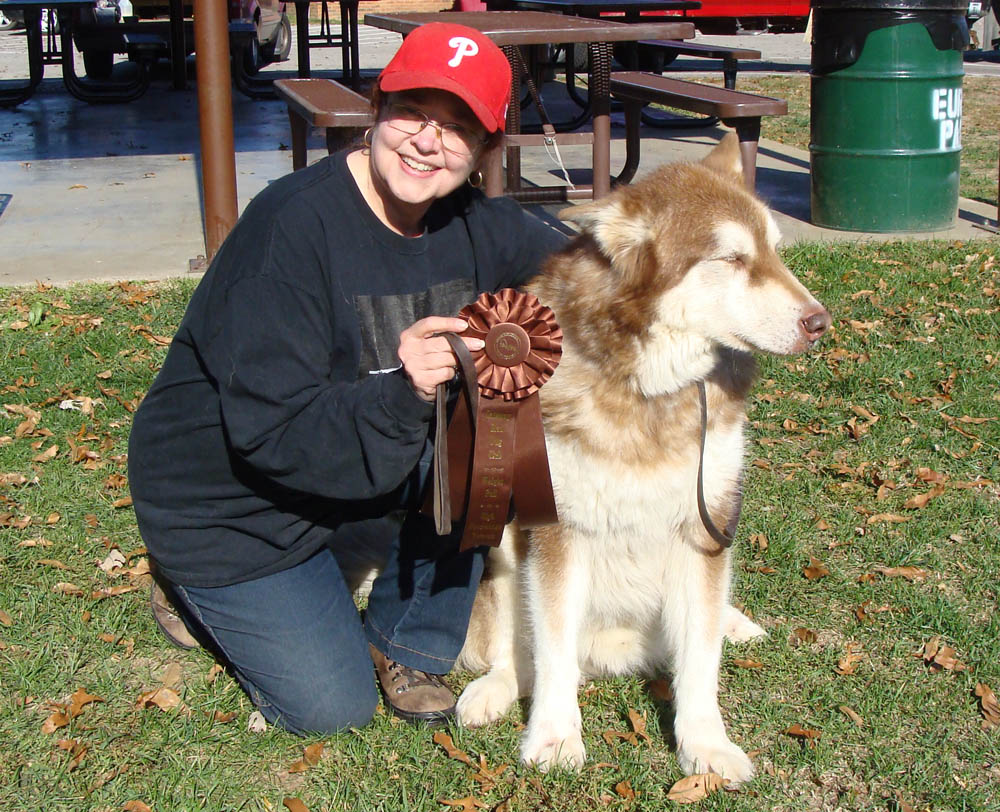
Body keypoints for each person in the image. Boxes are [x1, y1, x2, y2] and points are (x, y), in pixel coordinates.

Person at [128, 22, 566, 734]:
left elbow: (589, 262)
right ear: (376, 105)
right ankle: (184, 590)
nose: (429, 141)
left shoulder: (477, 223)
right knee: (329, 708)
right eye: (414, 112)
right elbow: (272, 430)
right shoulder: (290, 227)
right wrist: (404, 390)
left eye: (458, 128)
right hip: (232, 502)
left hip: (345, 459)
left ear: (485, 149)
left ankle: (409, 638)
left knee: (498, 440)